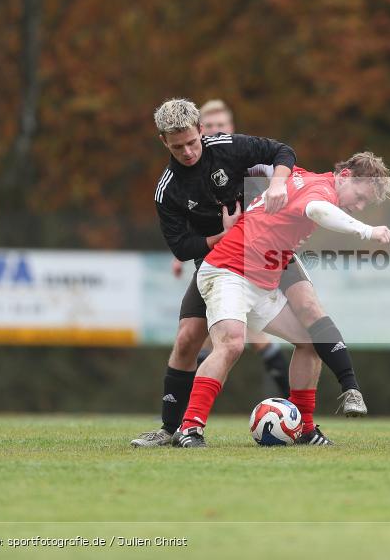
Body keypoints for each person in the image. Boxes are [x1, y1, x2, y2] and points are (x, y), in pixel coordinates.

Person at [131, 98, 366, 449]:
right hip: (223, 258)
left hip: (270, 250)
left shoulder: (226, 146)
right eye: (178, 146)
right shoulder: (169, 190)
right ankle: (171, 427)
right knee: (187, 338)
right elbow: (183, 246)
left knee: (311, 315)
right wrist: (224, 235)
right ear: (164, 142)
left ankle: (312, 423)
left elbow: (283, 151)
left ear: (200, 131)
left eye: (193, 142)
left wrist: (277, 186)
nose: (189, 151)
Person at [172, 152, 390, 448]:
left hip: (261, 283)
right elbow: (317, 210)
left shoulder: (305, 177)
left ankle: (304, 428)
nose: (360, 206)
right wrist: (367, 231)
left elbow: (265, 161)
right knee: (232, 344)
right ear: (345, 177)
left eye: (366, 204)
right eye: (361, 196)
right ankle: (190, 428)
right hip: (228, 271)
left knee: (311, 344)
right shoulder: (321, 191)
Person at [169, 99, 291, 399]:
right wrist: (181, 254)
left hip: (260, 258)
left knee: (260, 337)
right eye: (210, 127)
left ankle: (297, 411)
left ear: (230, 130)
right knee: (199, 339)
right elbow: (187, 225)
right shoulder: (185, 174)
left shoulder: (244, 156)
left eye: (219, 127)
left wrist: (280, 191)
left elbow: (284, 163)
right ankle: (178, 421)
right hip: (217, 263)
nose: (213, 133)